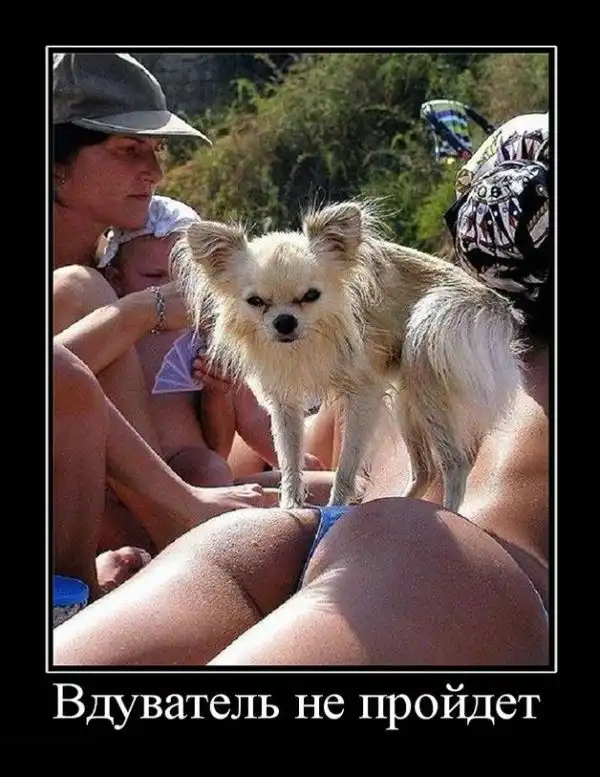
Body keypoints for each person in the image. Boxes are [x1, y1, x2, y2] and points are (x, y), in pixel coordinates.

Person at [52, 115, 552, 665]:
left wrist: (199, 491)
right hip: (457, 560)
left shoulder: (384, 350)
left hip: (283, 539)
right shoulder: (447, 354)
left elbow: (290, 456)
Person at [51, 53, 275, 555]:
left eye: (156, 151)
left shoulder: (137, 255)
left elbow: (203, 445)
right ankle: (177, 521)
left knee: (349, 490)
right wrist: (143, 310)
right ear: (58, 166)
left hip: (134, 502)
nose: (154, 171)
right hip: (109, 514)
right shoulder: (102, 285)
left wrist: (217, 394)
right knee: (82, 290)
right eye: (129, 150)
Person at [420, 98, 496, 165]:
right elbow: (474, 115)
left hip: (452, 153)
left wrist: (461, 150)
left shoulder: (428, 110)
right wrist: (487, 127)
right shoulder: (460, 107)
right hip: (461, 150)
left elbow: (444, 131)